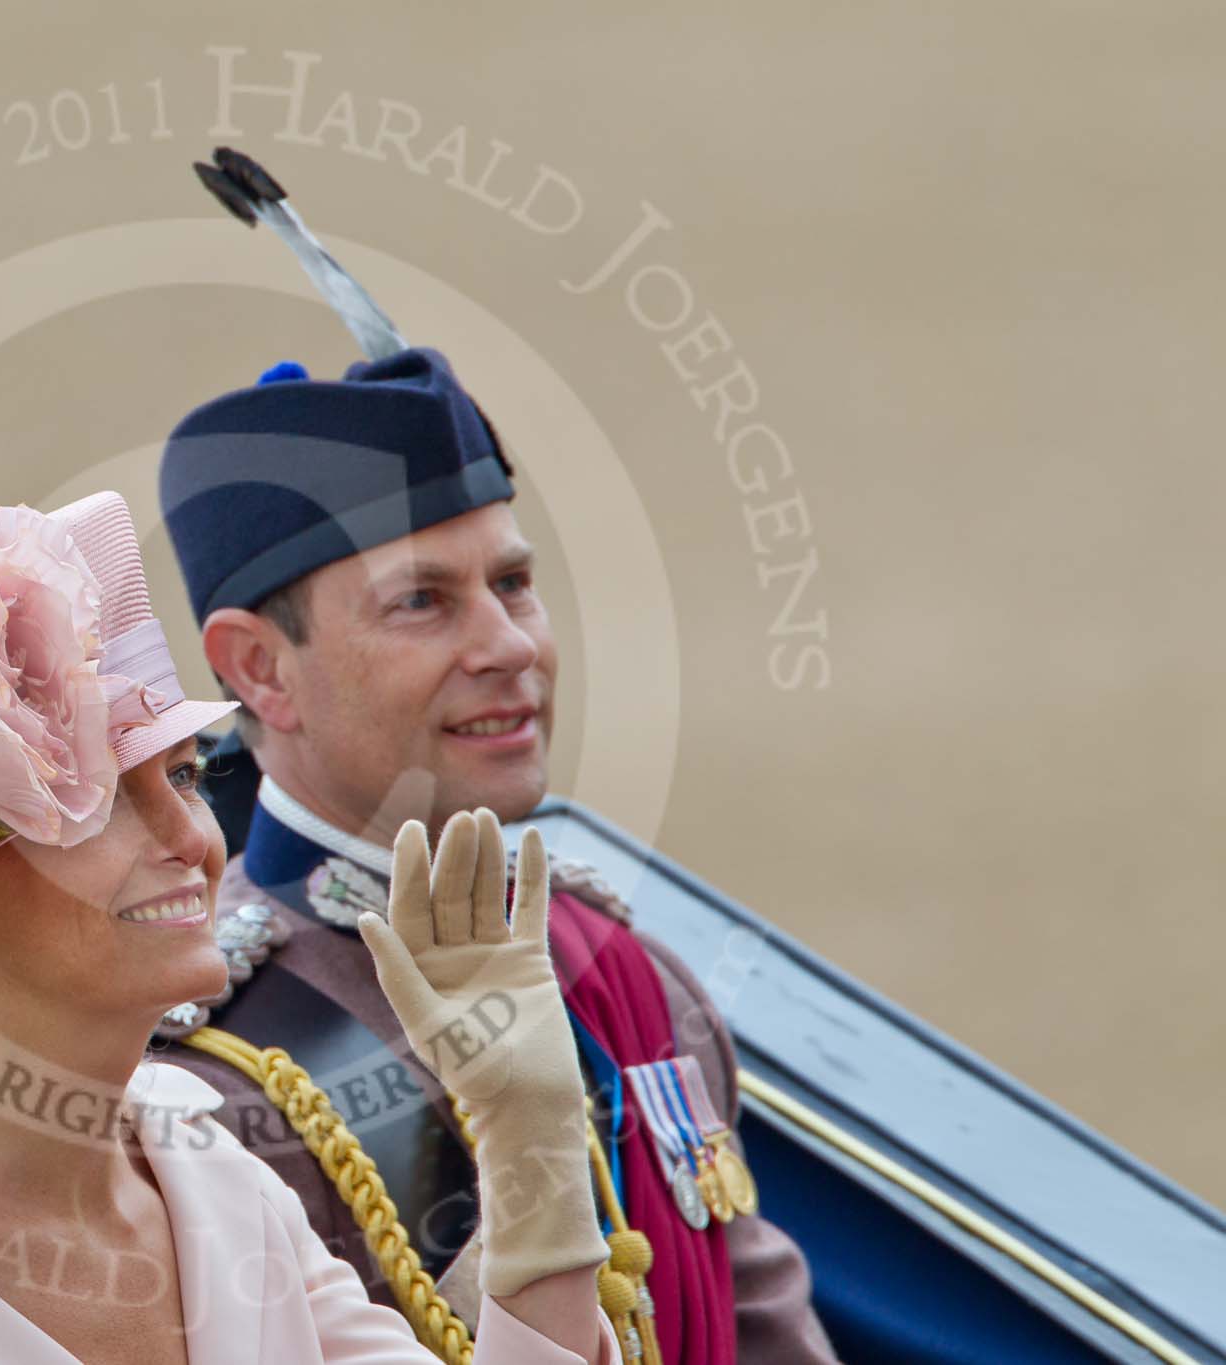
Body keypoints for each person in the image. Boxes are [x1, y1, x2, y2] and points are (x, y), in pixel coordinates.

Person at [0, 489, 626, 1362]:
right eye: (102, 800)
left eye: (183, 775)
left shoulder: (211, 1176)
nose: (193, 841)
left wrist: (531, 1133)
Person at [155, 347, 841, 1364]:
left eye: (513, 583)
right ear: (259, 669)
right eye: (422, 601)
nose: (509, 644)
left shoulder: (626, 973)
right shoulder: (213, 1075)